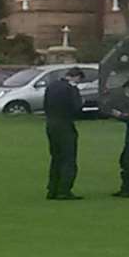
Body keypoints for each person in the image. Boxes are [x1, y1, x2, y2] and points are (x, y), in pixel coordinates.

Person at [43, 68, 86, 200]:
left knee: (56, 157)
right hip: (65, 124)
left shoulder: (51, 86)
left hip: (51, 124)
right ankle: (64, 190)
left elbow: (45, 105)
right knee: (68, 158)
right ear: (76, 77)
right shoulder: (71, 89)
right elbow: (76, 107)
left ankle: (52, 189)